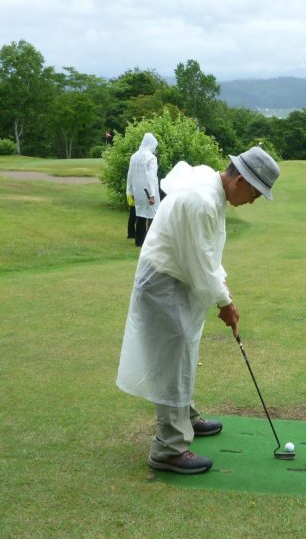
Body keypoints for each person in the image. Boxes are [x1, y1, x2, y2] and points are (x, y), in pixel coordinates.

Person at [116, 146, 281, 475]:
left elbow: (206, 257)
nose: (252, 202)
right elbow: (203, 267)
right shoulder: (202, 201)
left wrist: (225, 296)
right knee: (172, 360)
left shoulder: (211, 183)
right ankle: (169, 448)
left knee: (185, 351)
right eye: (254, 194)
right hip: (164, 281)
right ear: (240, 180)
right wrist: (226, 303)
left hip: (174, 277)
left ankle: (186, 417)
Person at [126, 133, 160, 247]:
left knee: (140, 214)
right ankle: (151, 241)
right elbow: (151, 176)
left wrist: (130, 191)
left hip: (137, 191)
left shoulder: (134, 156)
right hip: (149, 190)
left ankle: (139, 241)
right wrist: (153, 195)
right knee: (153, 215)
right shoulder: (151, 158)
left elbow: (130, 175)